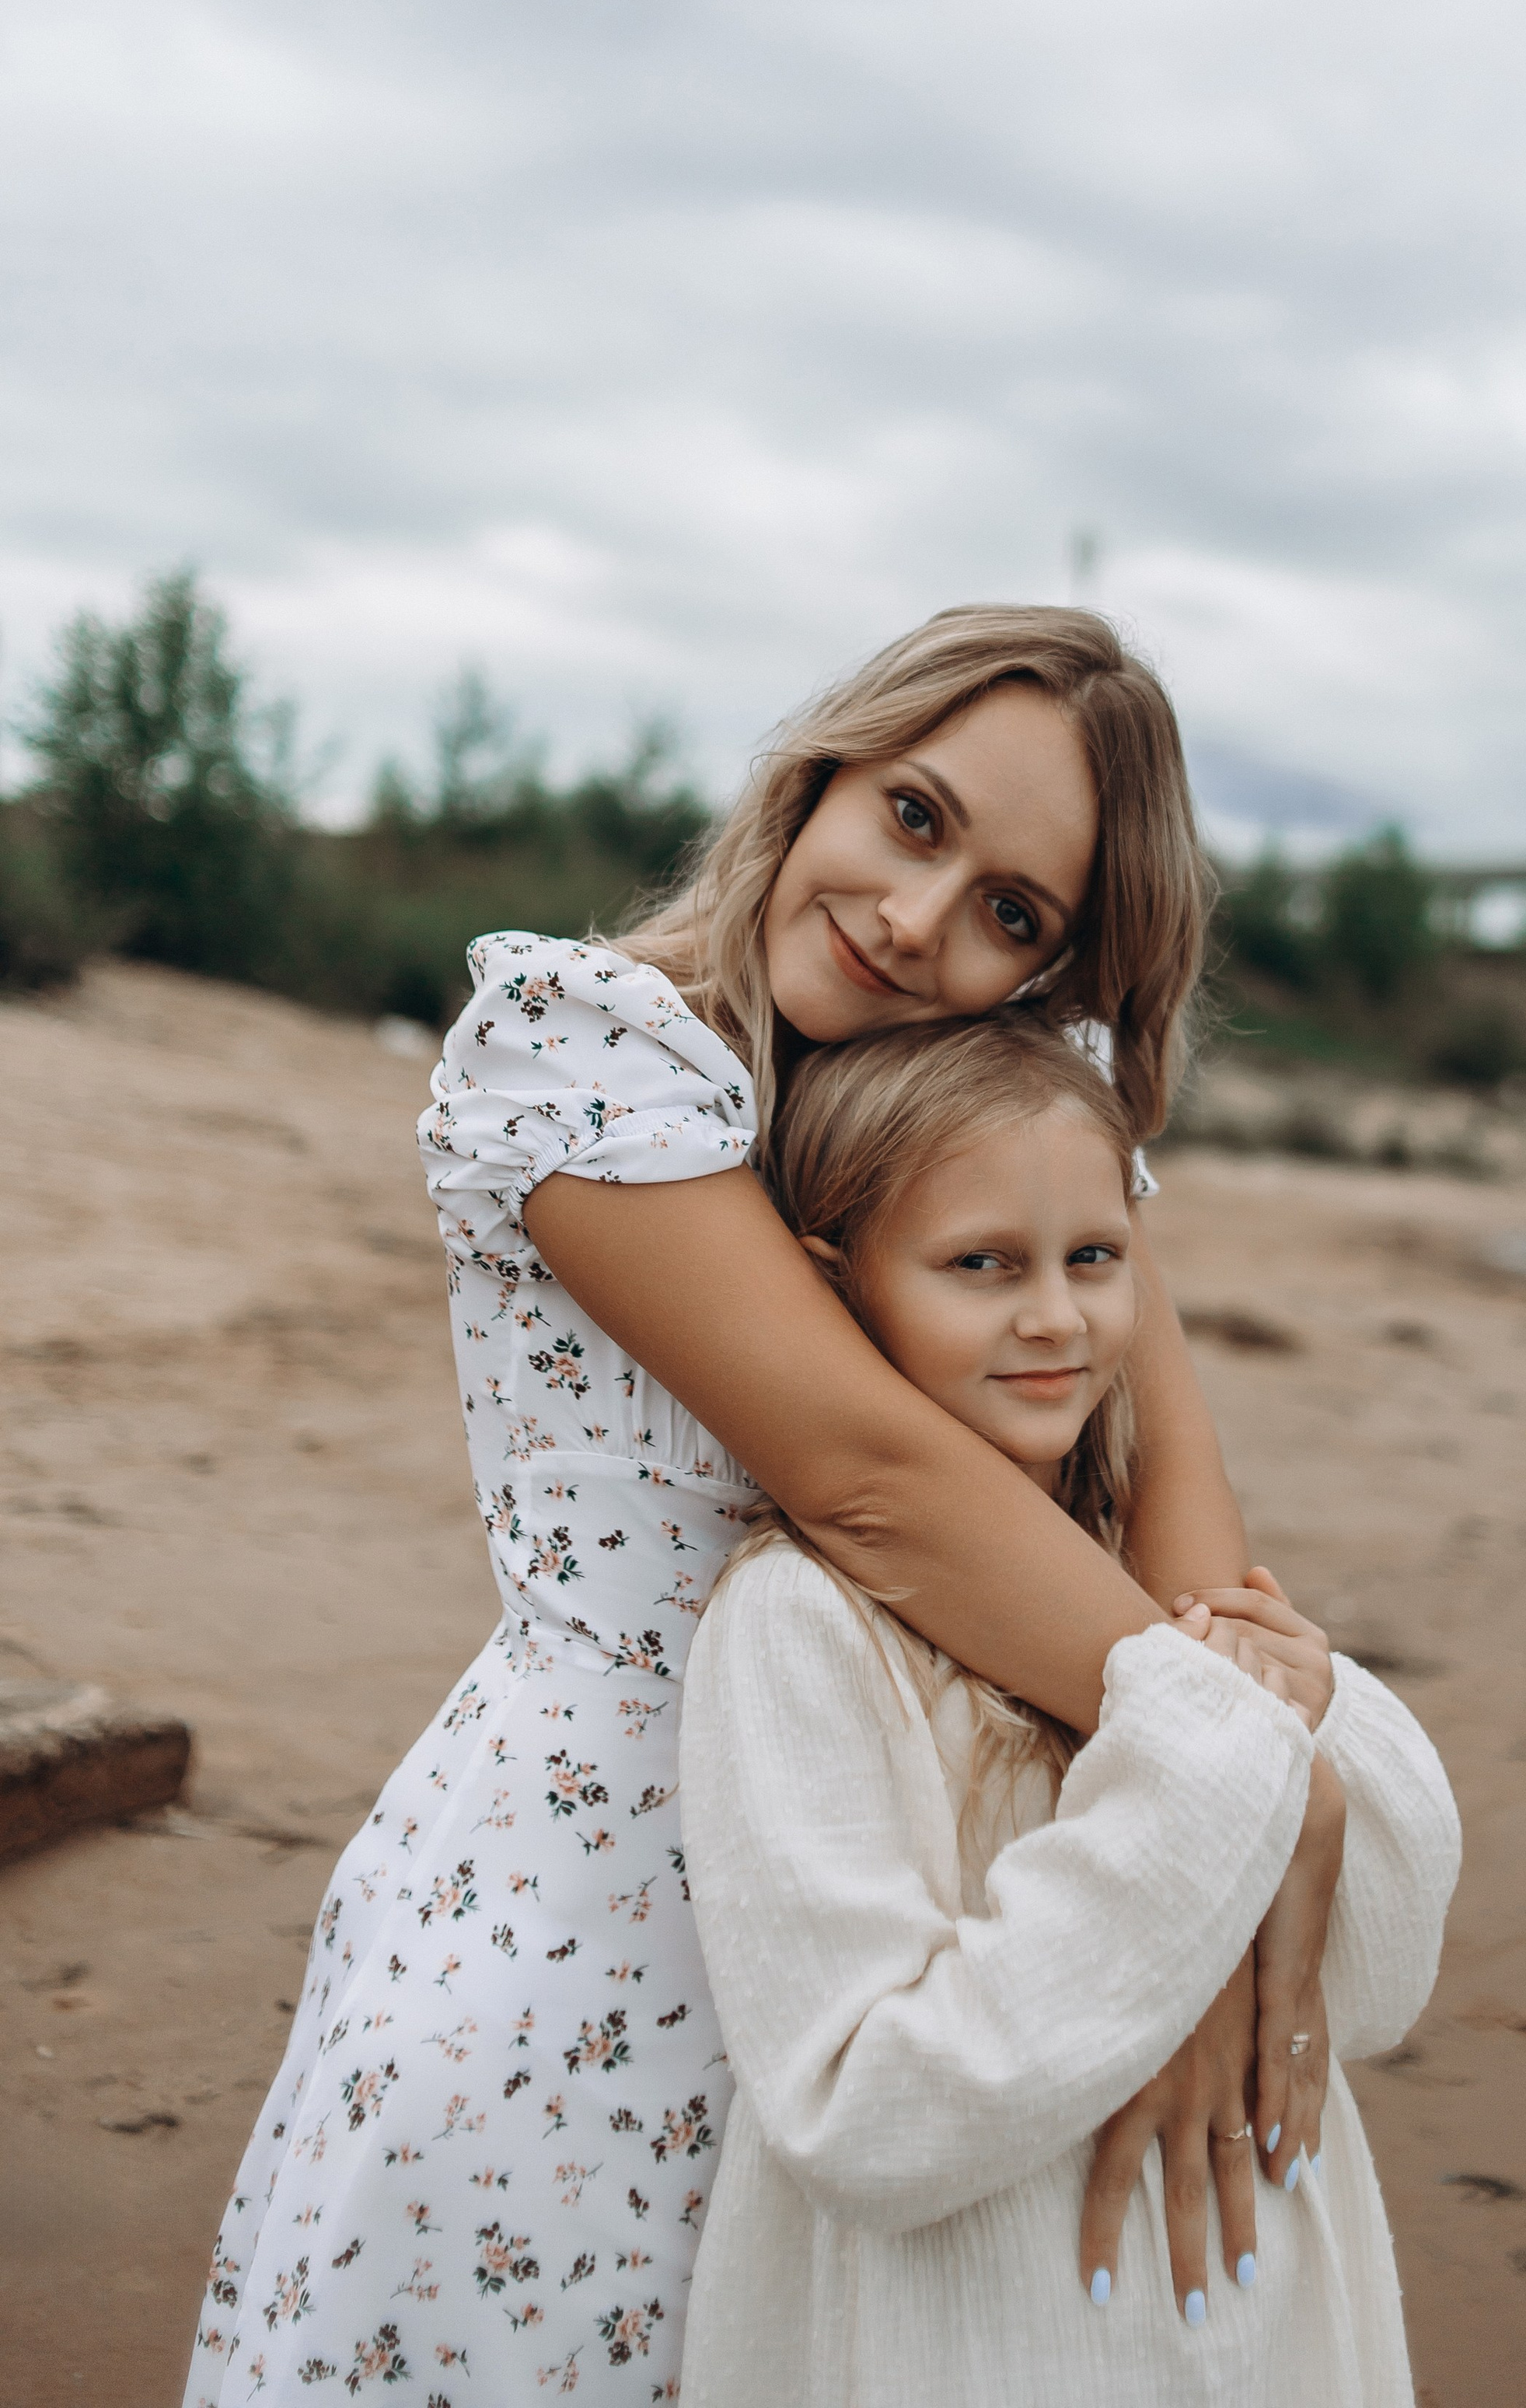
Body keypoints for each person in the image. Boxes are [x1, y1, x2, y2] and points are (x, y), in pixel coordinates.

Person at [184, 606, 1344, 2406]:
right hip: (587, 1924)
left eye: (1011, 915)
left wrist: (1202, 1825)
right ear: (826, 768)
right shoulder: (588, 1053)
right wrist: (1232, 1790)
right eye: (915, 819)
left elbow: (1172, 1469)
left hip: (897, 1913)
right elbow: (863, 1485)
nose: (916, 919)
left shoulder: (1014, 1119)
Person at [677, 1010, 1460, 2406]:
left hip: (1252, 2318)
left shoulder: (1148, 1588)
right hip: (975, 2343)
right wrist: (1210, 1799)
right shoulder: (799, 1628)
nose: (1054, 1315)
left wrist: (1319, 1712)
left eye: (1095, 1258)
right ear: (839, 1291)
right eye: (983, 1265)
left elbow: (1376, 1988)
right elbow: (856, 2109)